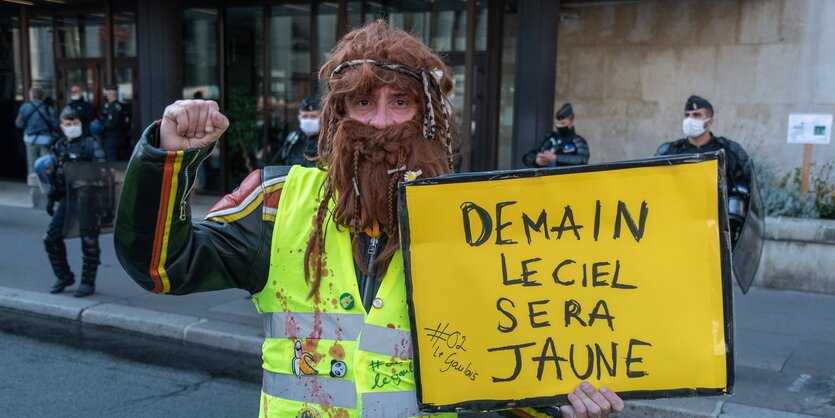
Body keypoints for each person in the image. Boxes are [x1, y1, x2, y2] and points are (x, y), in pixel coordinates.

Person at [114, 21, 622, 418]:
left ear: (427, 117)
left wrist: (562, 401)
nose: (381, 122)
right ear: (339, 116)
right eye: (363, 102)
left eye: (400, 102)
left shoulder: (470, 222)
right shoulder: (278, 201)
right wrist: (168, 158)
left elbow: (501, 370)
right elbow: (162, 266)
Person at [655, 95, 754, 243]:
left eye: (696, 115)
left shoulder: (729, 152)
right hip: (677, 230)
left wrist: (730, 228)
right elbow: (656, 189)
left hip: (716, 234)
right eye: (687, 115)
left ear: (710, 121)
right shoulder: (669, 152)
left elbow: (741, 191)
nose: (690, 119)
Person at [42, 112, 106, 297]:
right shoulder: (58, 146)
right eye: (68, 123)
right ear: (62, 126)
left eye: (75, 122)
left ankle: (87, 283)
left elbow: (102, 170)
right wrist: (50, 198)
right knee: (51, 238)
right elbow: (53, 174)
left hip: (88, 199)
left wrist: (88, 182)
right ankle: (64, 276)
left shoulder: (91, 144)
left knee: (89, 242)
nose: (72, 125)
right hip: (67, 199)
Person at [522, 102, 589, 168]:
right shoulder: (549, 138)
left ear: (571, 122)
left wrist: (556, 158)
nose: (559, 126)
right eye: (557, 123)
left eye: (563, 123)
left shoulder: (577, 140)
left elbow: (583, 159)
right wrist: (536, 160)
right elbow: (528, 156)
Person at [16, 86, 60, 177]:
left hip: (31, 140)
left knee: (32, 164)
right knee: (45, 164)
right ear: (42, 96)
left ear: (31, 95)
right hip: (46, 140)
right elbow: (55, 124)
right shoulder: (48, 108)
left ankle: (34, 185)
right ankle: (46, 184)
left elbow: (18, 124)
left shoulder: (25, 107)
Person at [274, 95, 320, 166]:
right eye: (305, 116)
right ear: (299, 117)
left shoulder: (329, 141)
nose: (308, 120)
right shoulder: (293, 138)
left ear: (322, 117)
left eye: (313, 116)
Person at [99, 84, 132, 161]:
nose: (106, 96)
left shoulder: (115, 107)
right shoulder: (118, 106)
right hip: (121, 137)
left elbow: (110, 124)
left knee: (113, 162)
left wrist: (101, 125)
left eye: (107, 94)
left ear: (111, 94)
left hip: (113, 137)